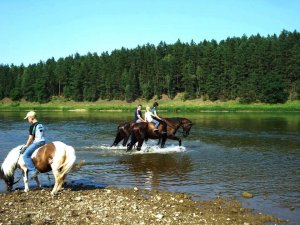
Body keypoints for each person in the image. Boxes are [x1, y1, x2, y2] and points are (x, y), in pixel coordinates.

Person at [20, 111, 46, 179]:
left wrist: (26, 146)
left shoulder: (32, 126)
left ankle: (33, 171)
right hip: (43, 141)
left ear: (31, 117)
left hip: (37, 142)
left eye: (28, 118)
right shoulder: (40, 124)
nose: (27, 120)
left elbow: (30, 138)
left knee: (25, 156)